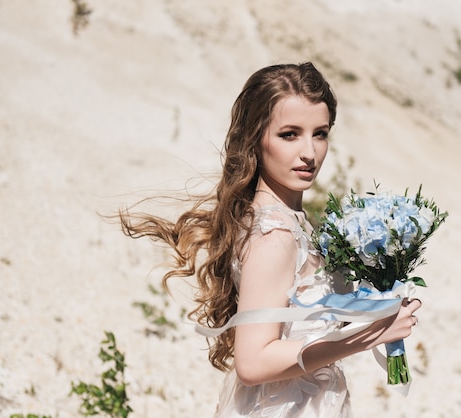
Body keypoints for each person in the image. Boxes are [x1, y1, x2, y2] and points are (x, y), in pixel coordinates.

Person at [119, 62, 422, 417]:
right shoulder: (275, 234)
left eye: (320, 133)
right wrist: (371, 334)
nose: (309, 152)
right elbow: (253, 362)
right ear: (255, 137)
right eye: (289, 134)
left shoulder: (288, 220)